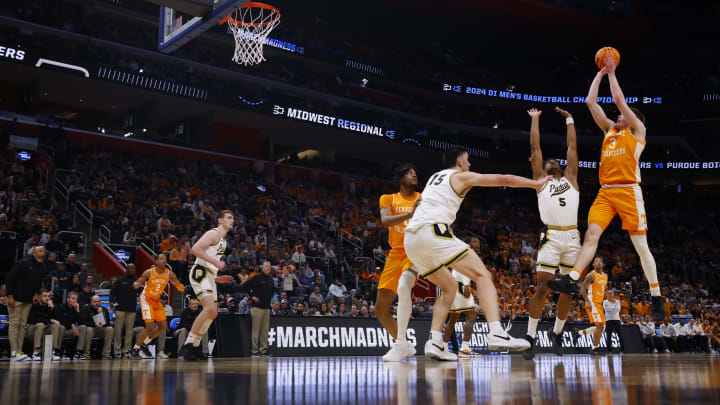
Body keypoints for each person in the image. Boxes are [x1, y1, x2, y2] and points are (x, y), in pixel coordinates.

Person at [548, 54, 664, 321]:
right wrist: (600, 73)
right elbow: (590, 102)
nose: (619, 115)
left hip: (628, 191)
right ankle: (572, 278)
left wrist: (612, 72)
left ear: (633, 118)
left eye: (624, 114)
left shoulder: (638, 132)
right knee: (591, 235)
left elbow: (619, 100)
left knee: (641, 247)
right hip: (605, 192)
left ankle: (656, 296)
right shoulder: (610, 131)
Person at [404, 147, 548, 360]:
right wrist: (534, 183)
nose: (470, 164)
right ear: (460, 161)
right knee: (483, 275)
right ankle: (497, 332)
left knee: (448, 286)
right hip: (431, 231)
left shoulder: (435, 177)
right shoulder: (461, 175)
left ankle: (434, 342)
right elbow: (503, 178)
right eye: (468, 160)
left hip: (411, 240)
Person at [522, 107, 581, 360]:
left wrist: (569, 120)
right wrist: (535, 120)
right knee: (542, 287)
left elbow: (572, 148)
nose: (552, 161)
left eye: (555, 161)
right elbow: (535, 149)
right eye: (549, 162)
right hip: (552, 237)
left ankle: (556, 333)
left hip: (573, 238)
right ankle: (530, 337)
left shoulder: (571, 179)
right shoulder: (539, 181)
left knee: (569, 289)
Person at [376, 163, 423, 362]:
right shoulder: (388, 198)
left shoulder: (422, 198)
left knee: (404, 285)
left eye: (415, 172)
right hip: (395, 253)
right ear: (400, 177)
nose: (414, 175)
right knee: (380, 308)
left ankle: (401, 341)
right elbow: (386, 221)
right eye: (409, 173)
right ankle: (402, 344)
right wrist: (410, 214)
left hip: (416, 250)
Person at [181, 210, 235, 361]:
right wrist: (215, 263)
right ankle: (188, 345)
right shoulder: (214, 233)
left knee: (213, 313)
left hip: (210, 276)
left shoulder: (224, 241)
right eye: (229, 218)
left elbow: (209, 259)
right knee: (209, 308)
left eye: (233, 218)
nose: (233, 221)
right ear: (220, 220)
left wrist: (218, 279)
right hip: (200, 273)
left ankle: (196, 345)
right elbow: (195, 249)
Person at [129, 254, 185, 359]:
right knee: (150, 326)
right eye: (161, 259)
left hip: (156, 301)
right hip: (146, 300)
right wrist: (136, 284)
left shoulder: (169, 274)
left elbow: (177, 284)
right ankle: (135, 349)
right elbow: (139, 281)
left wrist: (181, 287)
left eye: (165, 259)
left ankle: (144, 344)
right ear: (156, 261)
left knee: (163, 326)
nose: (164, 260)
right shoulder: (149, 272)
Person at [6, 246, 47, 361]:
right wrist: (9, 296)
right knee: (14, 324)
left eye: (44, 251)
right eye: (40, 251)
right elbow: (9, 278)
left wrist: (35, 294)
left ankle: (19, 351)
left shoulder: (43, 267)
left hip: (28, 300)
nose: (43, 253)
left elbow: (36, 283)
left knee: (22, 325)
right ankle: (14, 353)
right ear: (34, 252)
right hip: (15, 298)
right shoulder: (23, 263)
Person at [238, 261, 274, 357]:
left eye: (269, 267)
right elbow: (245, 287)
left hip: (266, 309)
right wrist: (252, 296)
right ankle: (254, 351)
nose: (268, 268)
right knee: (256, 331)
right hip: (257, 308)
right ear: (262, 268)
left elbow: (272, 292)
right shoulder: (257, 278)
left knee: (265, 332)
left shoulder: (271, 280)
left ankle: (263, 350)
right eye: (266, 266)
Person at [442, 269, 478, 357]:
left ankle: (444, 348)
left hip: (451, 288)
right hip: (460, 287)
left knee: (452, 320)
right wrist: (466, 284)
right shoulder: (465, 256)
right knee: (472, 316)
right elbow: (462, 268)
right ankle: (465, 348)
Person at [577, 257, 608, 355]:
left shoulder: (605, 276)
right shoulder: (591, 275)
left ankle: (579, 333)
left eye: (600, 261)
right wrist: (588, 301)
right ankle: (594, 349)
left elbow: (602, 290)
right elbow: (582, 290)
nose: (598, 263)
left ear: (603, 264)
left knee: (602, 327)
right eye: (596, 261)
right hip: (592, 302)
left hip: (599, 303)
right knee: (600, 326)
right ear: (593, 265)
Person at [110, 264, 138, 359]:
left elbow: (142, 291)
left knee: (129, 332)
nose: (132, 269)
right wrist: (111, 302)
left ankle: (126, 351)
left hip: (132, 310)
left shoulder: (136, 280)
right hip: (120, 309)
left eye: (134, 268)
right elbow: (112, 292)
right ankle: (117, 351)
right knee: (118, 331)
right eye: (130, 268)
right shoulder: (120, 280)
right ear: (126, 269)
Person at [25, 289, 62, 360]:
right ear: (39, 298)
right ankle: (36, 352)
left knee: (54, 326)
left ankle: (52, 352)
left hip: (42, 330)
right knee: (40, 324)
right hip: (30, 330)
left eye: (48, 296)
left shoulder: (48, 307)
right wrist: (50, 320)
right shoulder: (34, 306)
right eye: (45, 296)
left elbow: (57, 320)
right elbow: (33, 320)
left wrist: (52, 308)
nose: (47, 298)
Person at [54, 291, 86, 359]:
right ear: (68, 299)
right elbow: (60, 321)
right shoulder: (61, 307)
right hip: (61, 330)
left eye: (76, 299)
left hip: (71, 331)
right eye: (73, 298)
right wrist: (71, 325)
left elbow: (81, 322)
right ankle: (57, 351)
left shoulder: (76, 308)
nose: (75, 300)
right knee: (62, 327)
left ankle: (78, 351)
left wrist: (78, 311)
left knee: (83, 327)